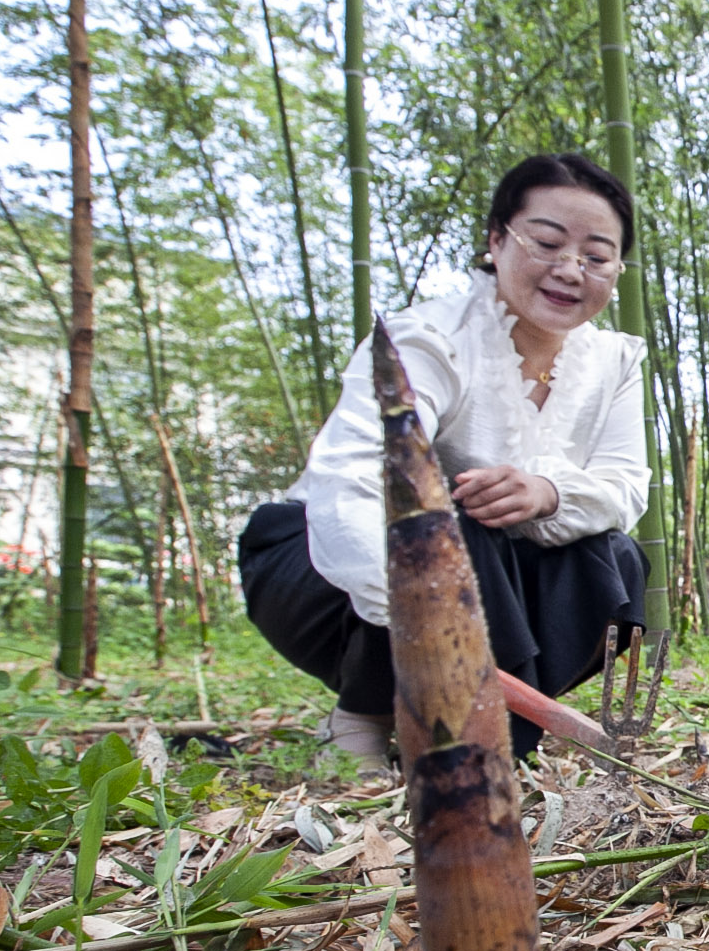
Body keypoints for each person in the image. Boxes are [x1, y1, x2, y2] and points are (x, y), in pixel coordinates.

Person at [239, 153, 650, 766]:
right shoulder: (428, 338)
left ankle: (482, 729)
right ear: (496, 240)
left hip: (497, 581)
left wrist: (546, 493)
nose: (570, 270)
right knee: (443, 523)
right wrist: (422, 609)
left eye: (596, 256)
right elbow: (355, 481)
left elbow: (624, 485)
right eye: (547, 243)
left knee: (615, 557)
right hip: (324, 574)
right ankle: (364, 715)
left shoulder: (614, 361)